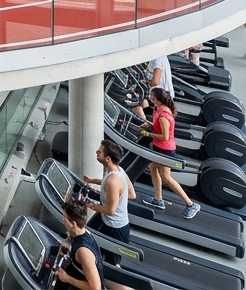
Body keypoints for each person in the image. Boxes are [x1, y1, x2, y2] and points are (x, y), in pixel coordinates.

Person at [139, 87, 201, 218]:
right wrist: (150, 125)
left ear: (158, 99)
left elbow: (165, 136)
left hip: (165, 149)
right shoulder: (157, 109)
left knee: (166, 177)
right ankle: (158, 199)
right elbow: (158, 127)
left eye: (152, 96)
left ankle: (190, 204)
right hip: (157, 146)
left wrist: (148, 133)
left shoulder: (163, 115)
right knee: (153, 168)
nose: (150, 98)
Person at [81, 139, 134, 245]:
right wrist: (93, 181)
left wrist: (89, 204)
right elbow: (131, 194)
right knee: (87, 236)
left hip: (115, 228)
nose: (96, 152)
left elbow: (110, 210)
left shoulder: (113, 180)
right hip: (107, 220)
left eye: (99, 152)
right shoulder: (118, 169)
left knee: (111, 260)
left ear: (107, 158)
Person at [54, 201, 103, 290]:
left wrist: (66, 278)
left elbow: (95, 288)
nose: (63, 219)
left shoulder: (83, 251)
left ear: (73, 224)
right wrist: (70, 248)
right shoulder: (85, 233)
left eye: (65, 216)